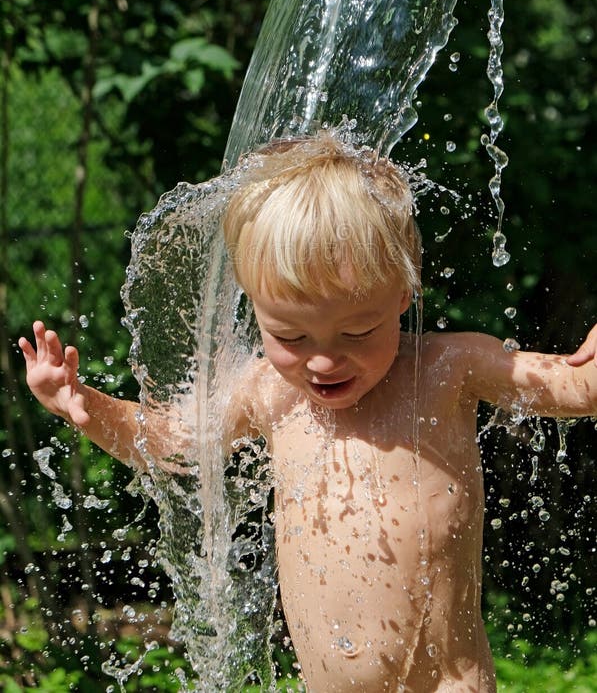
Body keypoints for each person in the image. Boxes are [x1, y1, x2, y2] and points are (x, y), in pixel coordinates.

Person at [20, 133, 597, 693]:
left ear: (404, 289)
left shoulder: (450, 369)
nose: (323, 359)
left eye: (357, 330)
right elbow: (171, 442)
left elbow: (576, 387)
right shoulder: (269, 392)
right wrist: (83, 404)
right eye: (290, 334)